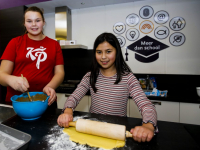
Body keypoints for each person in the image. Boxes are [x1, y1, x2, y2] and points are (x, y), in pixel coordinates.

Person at [57, 32, 157, 142]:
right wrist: (67, 112)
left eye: (108, 51)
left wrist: (148, 126)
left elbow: (146, 105)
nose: (103, 57)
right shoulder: (90, 76)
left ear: (117, 52)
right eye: (99, 52)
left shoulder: (128, 78)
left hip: (117, 131)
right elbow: (74, 97)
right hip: (93, 129)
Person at [0, 6, 65, 107]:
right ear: (24, 24)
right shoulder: (15, 43)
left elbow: (60, 72)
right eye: (29, 21)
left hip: (46, 101)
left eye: (37, 20)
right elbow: (1, 75)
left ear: (43, 22)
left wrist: (50, 86)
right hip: (18, 103)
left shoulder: (54, 44)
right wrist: (11, 80)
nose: (34, 24)